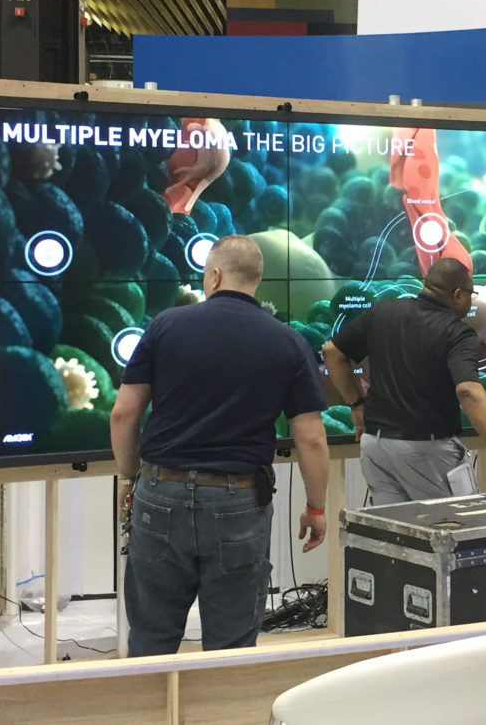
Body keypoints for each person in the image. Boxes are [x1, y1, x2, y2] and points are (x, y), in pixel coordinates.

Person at [111, 235, 329, 657]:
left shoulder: (165, 325)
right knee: (231, 649)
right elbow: (312, 437)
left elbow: (123, 413)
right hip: (239, 502)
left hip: (161, 494)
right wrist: (315, 507)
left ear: (213, 275)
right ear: (257, 281)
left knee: (151, 639)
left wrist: (127, 476)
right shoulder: (287, 341)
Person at [322, 258, 486, 504]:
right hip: (427, 450)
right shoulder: (457, 332)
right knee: (462, 527)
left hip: (376, 447)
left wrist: (356, 404)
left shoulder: (382, 311)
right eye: (471, 294)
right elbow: (468, 391)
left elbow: (332, 352)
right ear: (458, 295)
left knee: (398, 535)